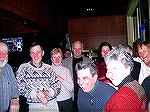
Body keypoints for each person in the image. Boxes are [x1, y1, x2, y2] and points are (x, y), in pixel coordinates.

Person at [16, 42, 61, 112]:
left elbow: (57, 86)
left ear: (42, 53)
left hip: (52, 105)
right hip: (34, 107)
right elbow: (20, 88)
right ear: (30, 54)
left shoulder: (49, 68)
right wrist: (36, 94)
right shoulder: (23, 68)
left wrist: (46, 93)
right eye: (33, 53)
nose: (35, 55)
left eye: (38, 52)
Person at [103, 47, 147, 112]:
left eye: (114, 68)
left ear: (128, 68)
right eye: (108, 69)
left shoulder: (122, 98)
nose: (109, 74)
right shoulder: (135, 84)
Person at [62, 41, 94, 112]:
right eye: (75, 48)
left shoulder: (89, 61)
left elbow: (93, 78)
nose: (77, 51)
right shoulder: (65, 62)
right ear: (72, 49)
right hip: (70, 94)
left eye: (79, 48)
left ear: (82, 49)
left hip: (85, 93)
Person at [50, 48, 74, 112]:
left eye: (59, 57)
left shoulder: (66, 70)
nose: (57, 59)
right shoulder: (48, 70)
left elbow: (71, 88)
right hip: (53, 101)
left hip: (67, 101)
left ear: (62, 58)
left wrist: (60, 79)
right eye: (54, 57)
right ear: (51, 59)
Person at [0, 41, 20, 112]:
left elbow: (14, 85)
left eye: (5, 52)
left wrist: (14, 98)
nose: (2, 54)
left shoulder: (8, 67)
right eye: (0, 51)